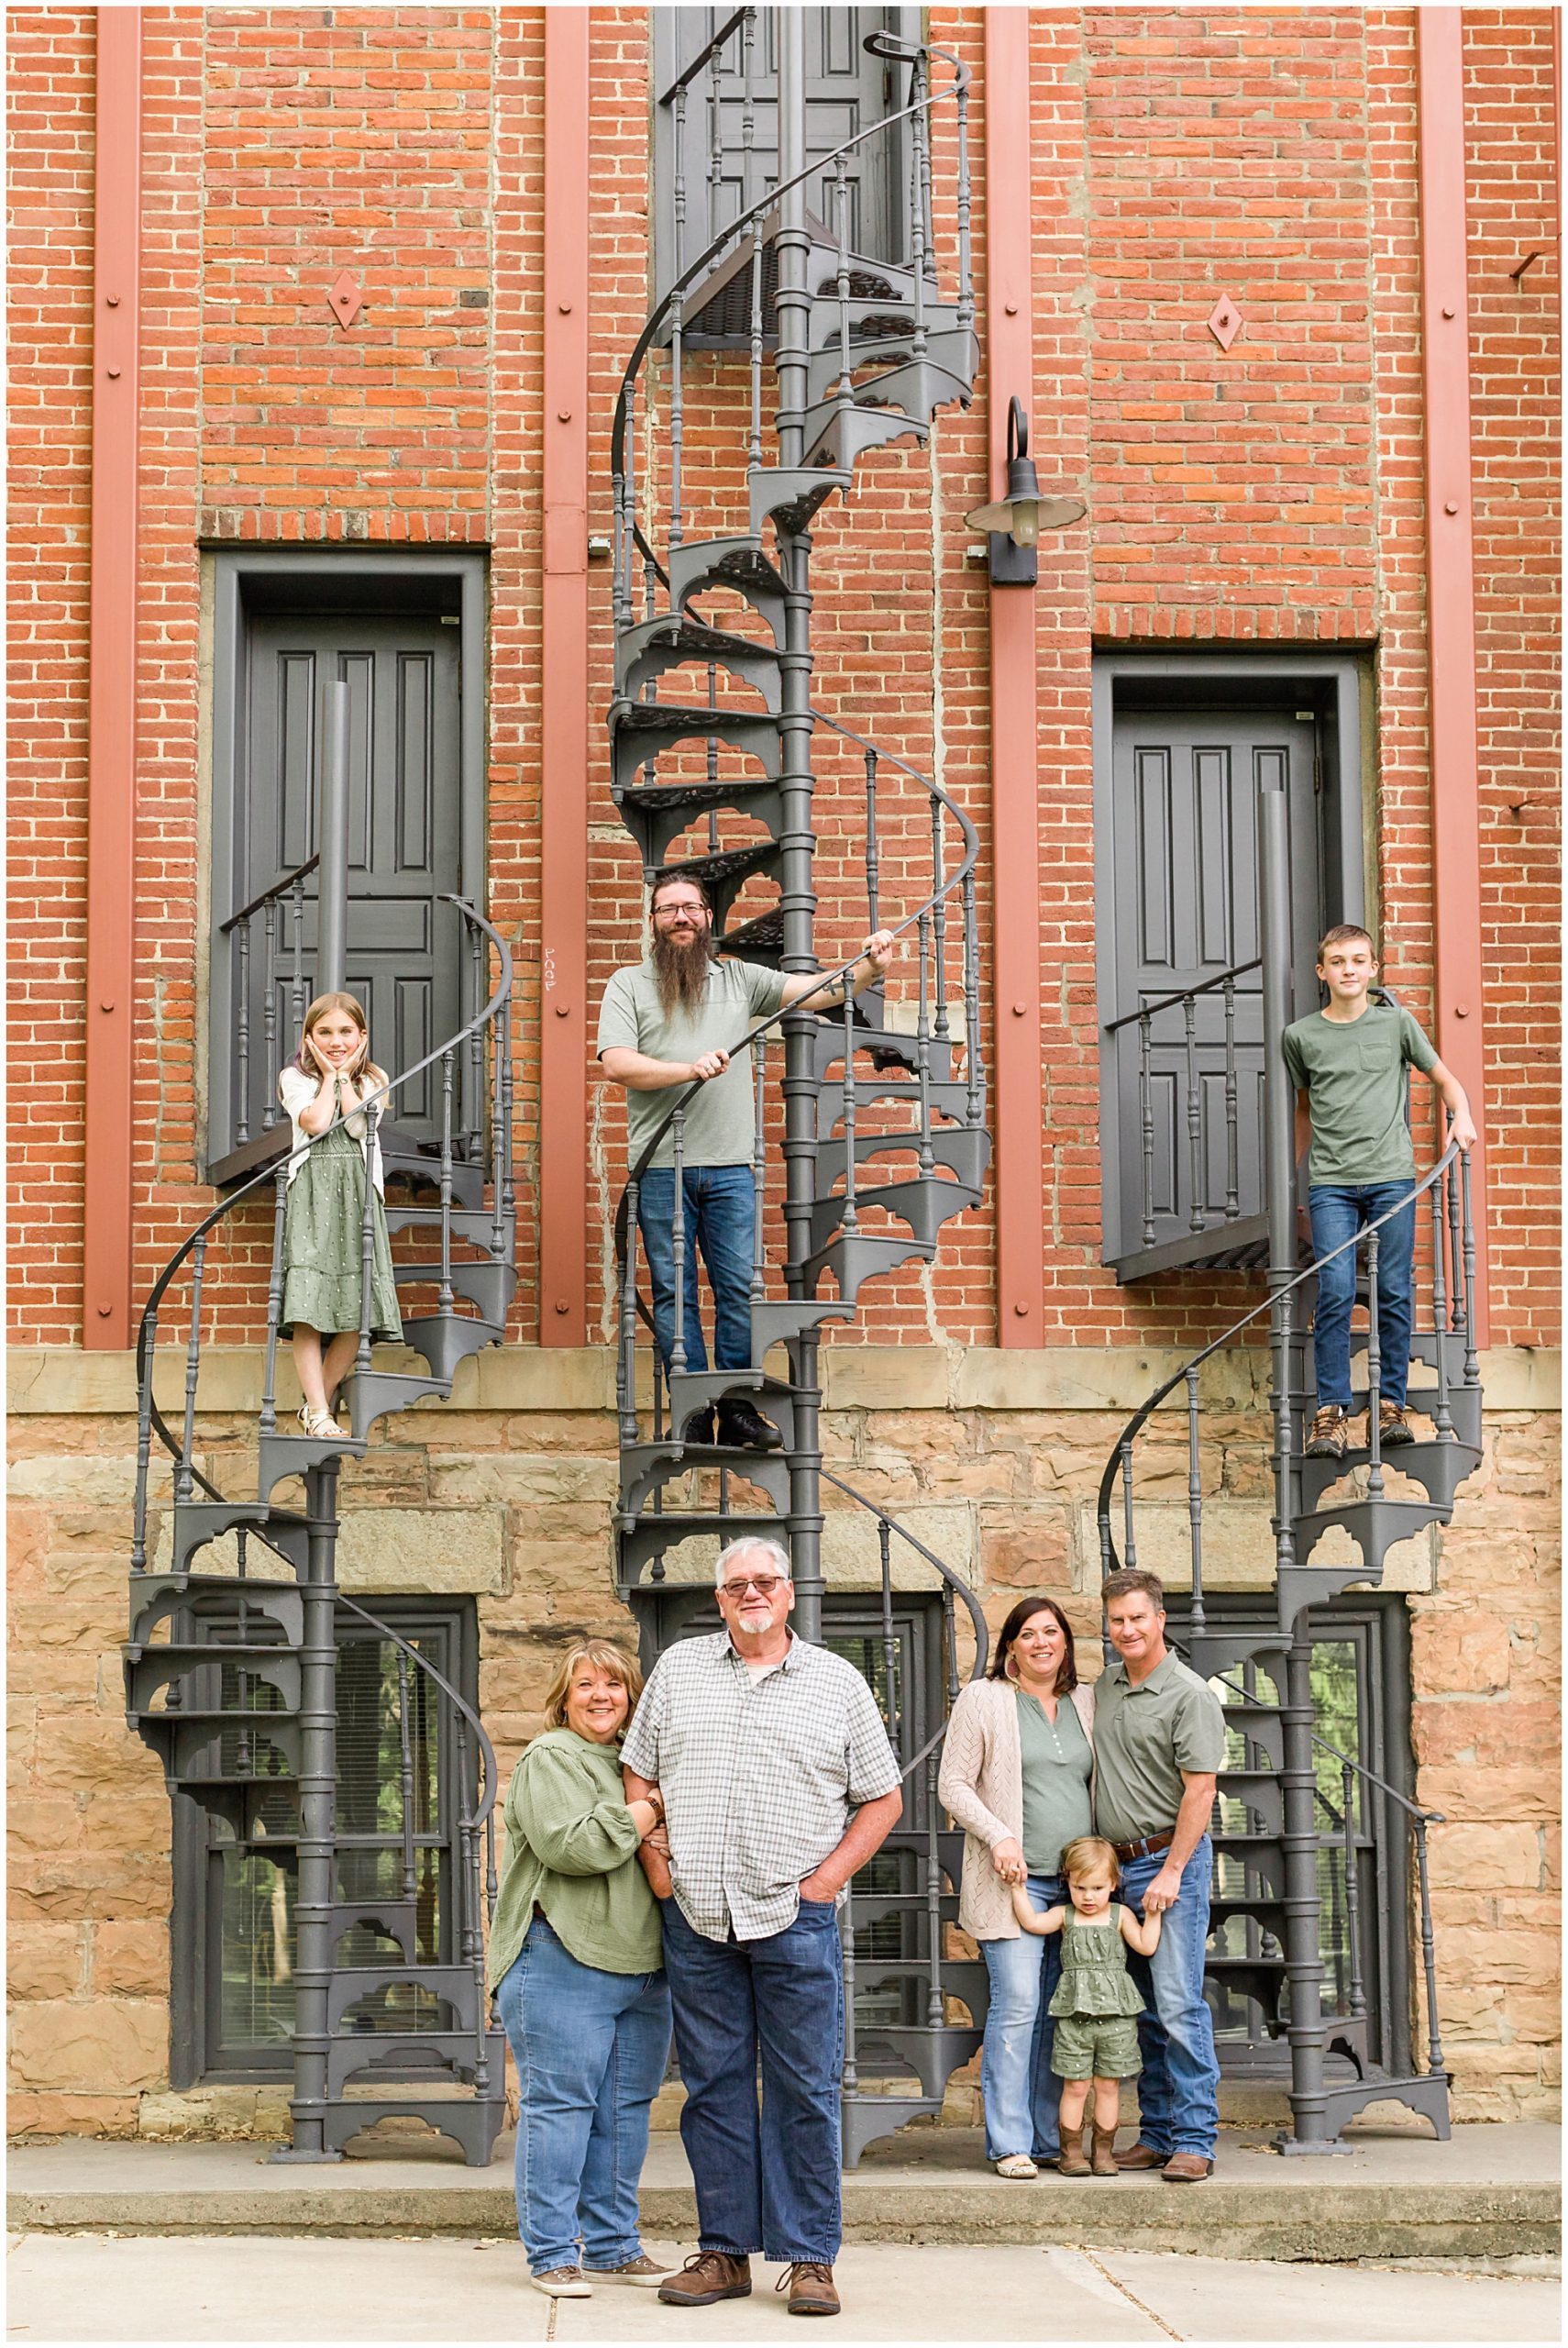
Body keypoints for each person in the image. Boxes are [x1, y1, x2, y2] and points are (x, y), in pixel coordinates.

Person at [621, 1535, 903, 2320]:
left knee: (803, 2089)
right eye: (735, 1584)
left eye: (764, 1582)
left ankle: (810, 2258)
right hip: (698, 1916)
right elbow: (638, 1769)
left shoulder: (838, 1683)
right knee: (712, 2090)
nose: (751, 1593)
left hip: (793, 1918)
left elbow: (883, 1799)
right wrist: (658, 1866)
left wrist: (825, 1883)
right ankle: (723, 2253)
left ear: (788, 1595)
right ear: (720, 1600)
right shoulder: (678, 1673)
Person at [597, 870, 896, 1449]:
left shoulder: (740, 978)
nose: (681, 918)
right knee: (673, 1290)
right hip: (660, 1168)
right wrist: (688, 1070)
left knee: (737, 1286)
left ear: (709, 918)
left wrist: (869, 967)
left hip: (731, 1166)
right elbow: (617, 1064)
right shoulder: (628, 984)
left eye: (691, 908)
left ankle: (735, 1409)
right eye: (668, 910)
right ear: (653, 921)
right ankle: (691, 1405)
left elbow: (821, 990)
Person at [488, 1640, 676, 2300]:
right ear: (564, 1698)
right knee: (560, 2109)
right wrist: (651, 1811)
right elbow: (572, 1847)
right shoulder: (552, 1757)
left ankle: (613, 2246)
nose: (602, 1696)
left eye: (615, 1685)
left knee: (624, 2111)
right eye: (586, 1685)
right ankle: (550, 2253)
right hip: (560, 1956)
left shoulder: (634, 1763)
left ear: (632, 1697)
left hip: (643, 1965)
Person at [1284, 925, 1477, 1462]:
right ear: (1323, 972)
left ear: (1374, 969)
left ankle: (1390, 1404)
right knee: (1337, 1290)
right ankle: (1331, 1413)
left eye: (1358, 960)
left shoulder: (1397, 1024)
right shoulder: (1300, 1036)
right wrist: (1296, 1180)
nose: (1348, 969)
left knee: (1393, 1289)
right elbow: (1305, 1109)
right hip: (1331, 1183)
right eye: (1337, 961)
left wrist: (1461, 1114)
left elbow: (1444, 1078)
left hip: (1391, 1177)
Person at [937, 1596, 1096, 2179]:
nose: (1041, 1643)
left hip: (1081, 1888)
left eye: (1051, 1632)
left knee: (1062, 2012)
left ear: (1066, 1644)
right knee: (1020, 2004)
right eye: (1027, 1634)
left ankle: (1050, 2135)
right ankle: (1009, 2141)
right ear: (1009, 1647)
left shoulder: (1086, 1701)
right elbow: (952, 1785)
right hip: (1014, 1883)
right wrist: (999, 1837)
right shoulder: (984, 1699)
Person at [1093, 1568, 1226, 2183]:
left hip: (1170, 1864)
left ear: (1161, 1620)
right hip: (1117, 1867)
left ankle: (1196, 2139)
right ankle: (1157, 2133)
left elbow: (1201, 1790)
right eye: (1117, 1620)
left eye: (1138, 1618)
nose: (1127, 1630)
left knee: (1177, 2005)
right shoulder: (1108, 1686)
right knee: (1142, 2010)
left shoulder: (1190, 1694)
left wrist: (1172, 1871)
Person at [277, 991, 402, 1437]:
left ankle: (316, 1407)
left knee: (357, 1309)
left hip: (357, 1197)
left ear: (362, 1036)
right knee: (308, 1307)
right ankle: (319, 1412)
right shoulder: (294, 1077)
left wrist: (345, 1076)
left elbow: (355, 1124)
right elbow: (315, 1122)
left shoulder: (373, 1080)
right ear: (309, 1038)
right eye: (324, 1033)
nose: (336, 1041)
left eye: (345, 1032)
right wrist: (328, 1075)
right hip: (311, 1195)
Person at [1010, 1834, 1161, 2177]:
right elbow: (1032, 1923)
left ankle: (1104, 2152)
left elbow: (1146, 1945)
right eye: (1080, 1888)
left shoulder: (1120, 1915)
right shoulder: (1065, 1916)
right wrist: (1019, 1889)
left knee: (1108, 2086)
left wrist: (1153, 1914)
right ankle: (1071, 2152)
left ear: (1112, 1883)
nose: (1088, 1897)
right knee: (1075, 2086)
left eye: (1096, 1888)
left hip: (1116, 2019)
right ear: (1068, 1883)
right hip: (1074, 2018)